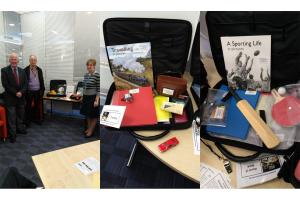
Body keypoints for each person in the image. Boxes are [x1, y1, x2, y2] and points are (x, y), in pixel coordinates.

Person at [1, 53, 28, 143]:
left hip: (21, 98)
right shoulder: (4, 70)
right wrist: (16, 92)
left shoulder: (22, 71)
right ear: (9, 60)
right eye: (12, 59)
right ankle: (13, 134)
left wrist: (21, 92)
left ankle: (20, 129)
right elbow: (5, 85)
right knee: (11, 117)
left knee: (20, 115)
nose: (14, 61)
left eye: (15, 59)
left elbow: (25, 84)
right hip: (10, 98)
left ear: (18, 60)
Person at [80, 59, 100, 138]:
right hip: (86, 97)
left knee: (93, 115)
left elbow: (98, 89)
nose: (89, 66)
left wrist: (97, 100)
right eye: (88, 65)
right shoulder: (86, 75)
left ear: (94, 66)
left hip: (93, 97)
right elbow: (84, 87)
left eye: (91, 65)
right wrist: (82, 96)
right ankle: (88, 128)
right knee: (87, 114)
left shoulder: (97, 75)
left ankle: (91, 131)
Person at [24, 55, 45, 126]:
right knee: (28, 107)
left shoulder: (39, 69)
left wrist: (42, 91)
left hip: (38, 91)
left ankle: (36, 119)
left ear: (36, 61)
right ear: (29, 61)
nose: (33, 61)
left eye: (34, 60)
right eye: (31, 60)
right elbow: (24, 82)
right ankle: (28, 121)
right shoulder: (25, 70)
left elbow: (42, 81)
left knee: (37, 106)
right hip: (29, 91)